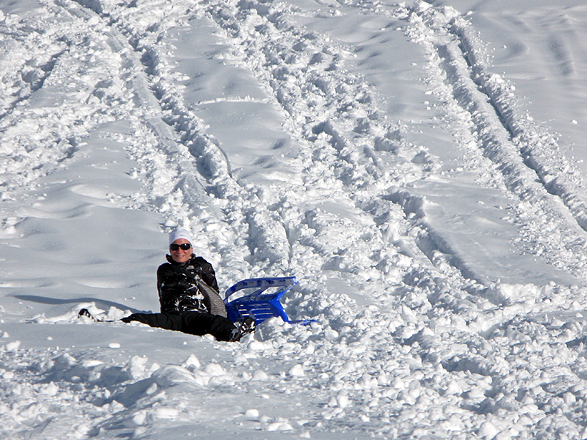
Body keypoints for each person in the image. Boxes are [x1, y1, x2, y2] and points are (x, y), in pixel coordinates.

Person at [120, 228, 254, 342]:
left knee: (215, 322)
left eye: (184, 246)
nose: (180, 251)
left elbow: (213, 292)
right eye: (175, 247)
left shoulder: (202, 266)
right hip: (173, 317)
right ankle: (114, 325)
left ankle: (234, 334)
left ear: (191, 249)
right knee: (141, 319)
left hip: (196, 316)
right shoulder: (165, 270)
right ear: (170, 250)